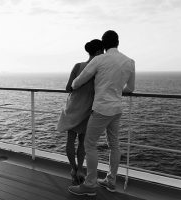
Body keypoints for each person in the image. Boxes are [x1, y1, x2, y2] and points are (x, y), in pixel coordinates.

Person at [68, 30, 135, 196]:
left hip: (101, 110)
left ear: (104, 45)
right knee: (114, 145)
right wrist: (116, 91)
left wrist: (76, 85)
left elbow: (77, 82)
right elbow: (131, 88)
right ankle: (111, 181)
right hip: (117, 109)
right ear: (118, 42)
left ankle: (90, 185)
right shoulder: (129, 61)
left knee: (89, 145)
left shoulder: (100, 59)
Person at [57, 39, 104, 185]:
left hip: (72, 107)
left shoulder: (78, 66)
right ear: (97, 52)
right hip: (87, 110)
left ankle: (73, 169)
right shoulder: (98, 69)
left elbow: (68, 88)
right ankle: (80, 170)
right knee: (82, 143)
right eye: (102, 51)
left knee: (70, 140)